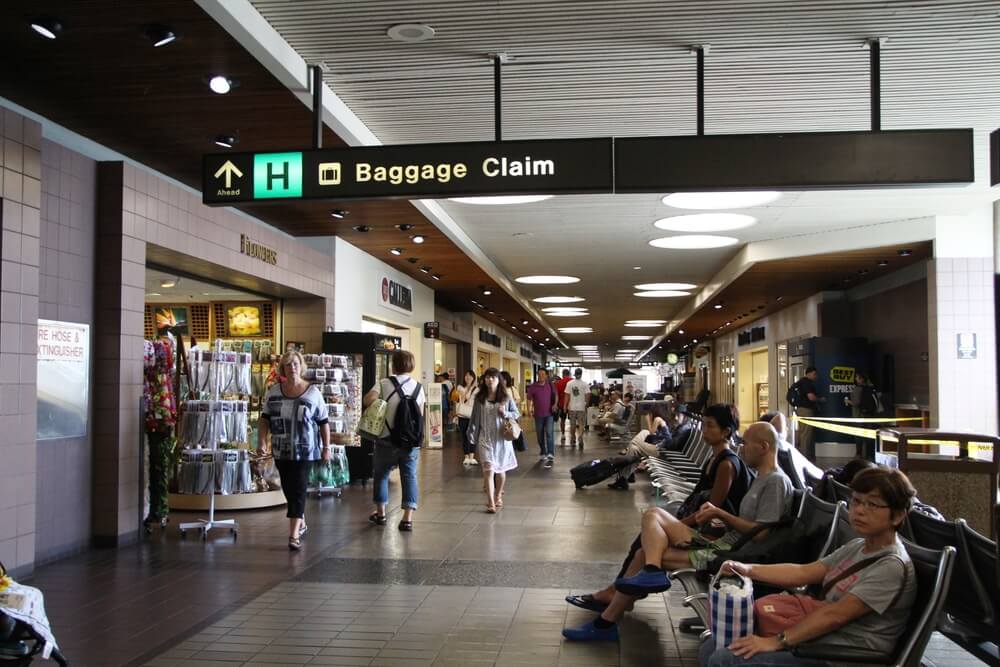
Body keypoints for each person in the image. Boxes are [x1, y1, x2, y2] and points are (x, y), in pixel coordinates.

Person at [564, 420, 791, 641]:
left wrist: (722, 515)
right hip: (724, 542)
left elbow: (762, 534)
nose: (741, 447)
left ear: (763, 447)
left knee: (648, 537)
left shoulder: (775, 483)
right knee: (650, 528)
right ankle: (621, 605)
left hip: (731, 554)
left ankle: (608, 620)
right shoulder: (761, 478)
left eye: (747, 443)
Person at [699, 467, 917, 666]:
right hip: (819, 640)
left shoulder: (891, 566)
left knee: (726, 658)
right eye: (856, 501)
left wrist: (777, 642)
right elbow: (804, 572)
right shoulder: (859, 546)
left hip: (842, 655)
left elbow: (835, 615)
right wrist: (746, 569)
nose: (859, 510)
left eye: (872, 504)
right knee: (715, 644)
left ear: (898, 515)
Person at [567, 404, 752, 610]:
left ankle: (615, 593)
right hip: (698, 525)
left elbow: (710, 511)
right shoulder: (715, 459)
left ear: (726, 431)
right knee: (642, 544)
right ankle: (619, 595)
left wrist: (676, 524)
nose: (704, 431)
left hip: (710, 534)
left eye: (710, 426)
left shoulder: (726, 465)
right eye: (704, 425)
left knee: (647, 534)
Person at [258, 350, 331, 551]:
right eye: (288, 365)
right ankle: (301, 520)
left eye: (296, 364)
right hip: (282, 451)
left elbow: (324, 422)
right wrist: (262, 441)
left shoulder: (312, 393)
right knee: (289, 489)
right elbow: (265, 419)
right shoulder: (274, 392)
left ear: (301, 367)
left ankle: (293, 534)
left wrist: (326, 447)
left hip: (306, 451)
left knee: (298, 488)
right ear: (283, 368)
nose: (292, 368)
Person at [363, 350, 426, 532]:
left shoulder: (383, 383)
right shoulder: (418, 387)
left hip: (385, 439)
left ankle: (381, 513)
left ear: (393, 365)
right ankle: (407, 518)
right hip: (409, 442)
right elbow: (419, 414)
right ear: (411, 365)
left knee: (381, 474)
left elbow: (368, 400)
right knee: (409, 476)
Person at [466, 367, 520, 513]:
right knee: (489, 470)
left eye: (493, 377)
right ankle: (490, 502)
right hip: (485, 438)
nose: (490, 380)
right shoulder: (480, 398)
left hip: (502, 440)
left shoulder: (505, 398)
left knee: (500, 472)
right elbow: (474, 418)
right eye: (487, 377)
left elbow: (516, 414)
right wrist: (470, 433)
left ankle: (498, 494)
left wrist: (506, 412)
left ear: (498, 380)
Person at [526, 369, 558, 468]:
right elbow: (528, 399)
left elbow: (556, 395)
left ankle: (550, 453)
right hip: (538, 414)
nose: (541, 376)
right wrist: (529, 410)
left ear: (546, 375)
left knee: (549, 433)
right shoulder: (533, 386)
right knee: (539, 435)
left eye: (543, 374)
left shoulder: (550, 385)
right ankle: (543, 451)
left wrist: (555, 404)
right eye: (539, 374)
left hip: (549, 414)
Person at [790, 367, 824, 461]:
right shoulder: (807, 383)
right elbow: (811, 397)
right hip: (806, 410)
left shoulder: (800, 383)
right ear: (809, 373)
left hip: (800, 410)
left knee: (803, 433)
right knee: (806, 435)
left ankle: (807, 456)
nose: (816, 376)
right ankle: (805, 458)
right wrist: (821, 399)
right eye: (814, 374)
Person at [845, 371, 877, 457]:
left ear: (861, 379)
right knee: (869, 436)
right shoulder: (870, 388)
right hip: (869, 416)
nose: (855, 379)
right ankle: (870, 455)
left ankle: (859, 454)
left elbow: (856, 403)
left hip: (858, 416)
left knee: (858, 436)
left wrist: (848, 401)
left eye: (857, 377)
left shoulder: (857, 389)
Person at [456, 370, 479, 465]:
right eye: (466, 376)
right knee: (464, 436)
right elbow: (463, 398)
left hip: (473, 415)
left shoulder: (477, 389)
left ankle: (472, 456)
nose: (468, 377)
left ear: (473, 377)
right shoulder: (460, 387)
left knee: (472, 435)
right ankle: (466, 456)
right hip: (462, 415)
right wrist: (469, 388)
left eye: (470, 376)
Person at [500, 370, 526, 451]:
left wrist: (511, 402)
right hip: (501, 416)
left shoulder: (511, 389)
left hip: (510, 416)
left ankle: (514, 447)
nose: (502, 381)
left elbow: (518, 399)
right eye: (501, 379)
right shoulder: (497, 390)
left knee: (513, 432)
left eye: (504, 379)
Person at [564, 368, 589, 448]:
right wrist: (586, 404)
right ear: (581, 374)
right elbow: (588, 395)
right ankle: (580, 436)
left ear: (575, 374)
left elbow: (567, 396)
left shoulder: (569, 383)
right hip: (581, 407)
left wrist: (565, 405)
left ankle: (573, 438)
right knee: (581, 424)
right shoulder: (585, 384)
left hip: (572, 407)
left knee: (572, 424)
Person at [555, 368, 572, 443]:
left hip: (562, 404)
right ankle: (572, 434)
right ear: (569, 374)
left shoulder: (559, 383)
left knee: (562, 420)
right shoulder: (573, 381)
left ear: (563, 374)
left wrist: (556, 404)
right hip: (572, 404)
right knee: (573, 420)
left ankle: (563, 434)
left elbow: (556, 395)